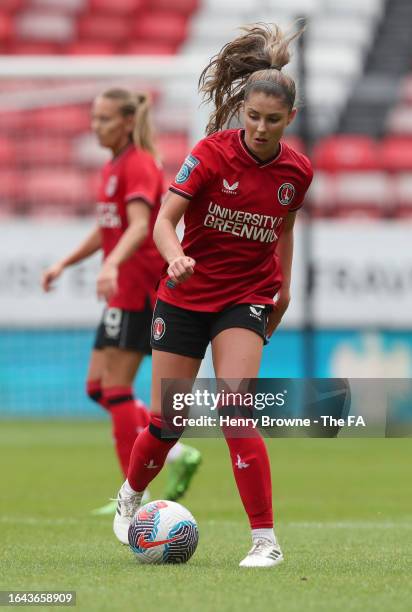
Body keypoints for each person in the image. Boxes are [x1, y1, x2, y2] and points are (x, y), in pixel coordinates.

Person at [113, 22, 313, 567]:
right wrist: (174, 255)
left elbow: (286, 228)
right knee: (166, 423)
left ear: (289, 119)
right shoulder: (209, 154)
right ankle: (131, 495)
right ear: (240, 110)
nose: (262, 128)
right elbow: (162, 221)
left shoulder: (297, 171)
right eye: (253, 117)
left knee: (235, 411)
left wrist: (285, 290)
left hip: (246, 298)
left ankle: (265, 541)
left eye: (274, 120)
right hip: (183, 295)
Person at [41, 88, 201, 513]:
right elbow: (107, 227)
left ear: (128, 121)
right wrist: (65, 263)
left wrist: (111, 265)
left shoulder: (140, 165)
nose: (97, 127)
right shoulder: (113, 166)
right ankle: (175, 453)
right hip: (123, 289)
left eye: (105, 119)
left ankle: (135, 496)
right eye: (94, 119)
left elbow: (139, 225)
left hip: (141, 289)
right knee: (98, 387)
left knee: (115, 387)